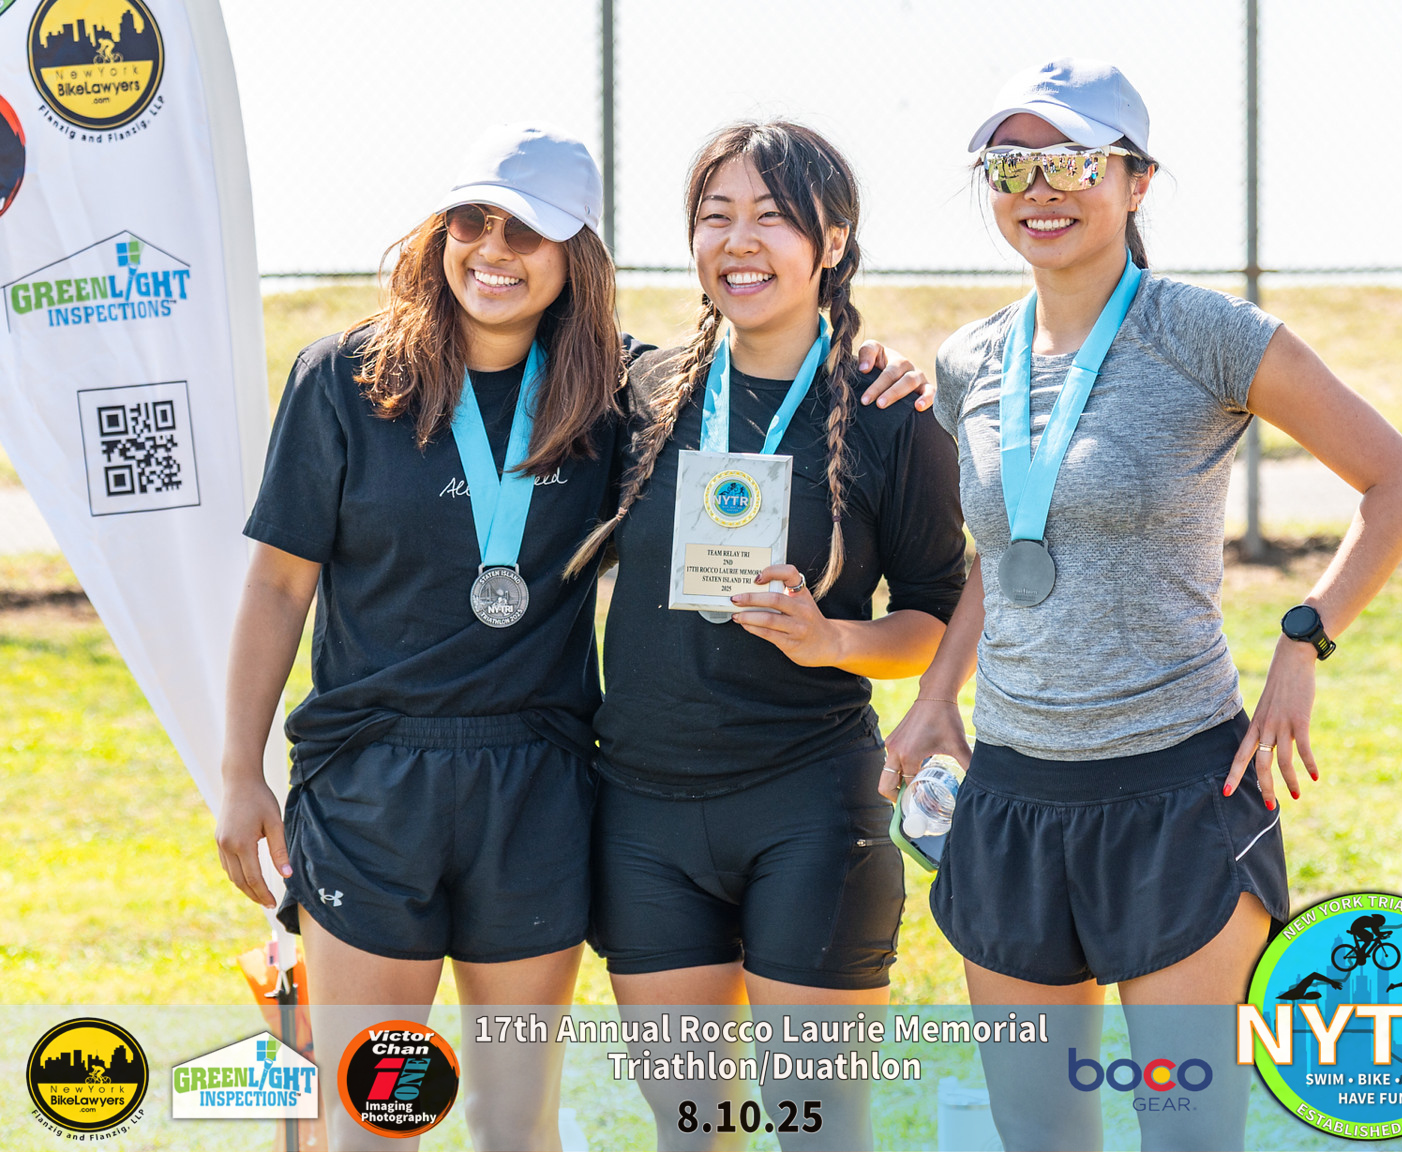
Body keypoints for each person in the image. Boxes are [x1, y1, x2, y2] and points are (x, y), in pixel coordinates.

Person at [214, 121, 926, 1152]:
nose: (493, 250)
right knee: (371, 1119)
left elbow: (772, 370)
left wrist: (870, 361)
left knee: (515, 1124)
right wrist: (240, 771)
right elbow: (279, 585)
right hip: (371, 785)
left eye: (528, 232)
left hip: (537, 786)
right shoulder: (344, 379)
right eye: (471, 221)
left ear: (574, 254)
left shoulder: (613, 394)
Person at [884, 58, 1402, 1152]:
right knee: (1039, 1133)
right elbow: (1008, 547)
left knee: (1186, 1129)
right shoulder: (971, 360)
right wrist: (939, 695)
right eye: (1010, 165)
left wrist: (1305, 640)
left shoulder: (1205, 334)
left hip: (1178, 796)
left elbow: (1401, 485)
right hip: (1013, 797)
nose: (1038, 189)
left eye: (1071, 162)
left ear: (1135, 181)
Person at [568, 121, 967, 1150]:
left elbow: (933, 616)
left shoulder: (890, 414)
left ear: (831, 241)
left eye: (773, 217)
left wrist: (834, 642)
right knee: (691, 1129)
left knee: (817, 1127)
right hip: (644, 814)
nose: (739, 241)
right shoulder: (640, 393)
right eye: (717, 216)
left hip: (809, 804)